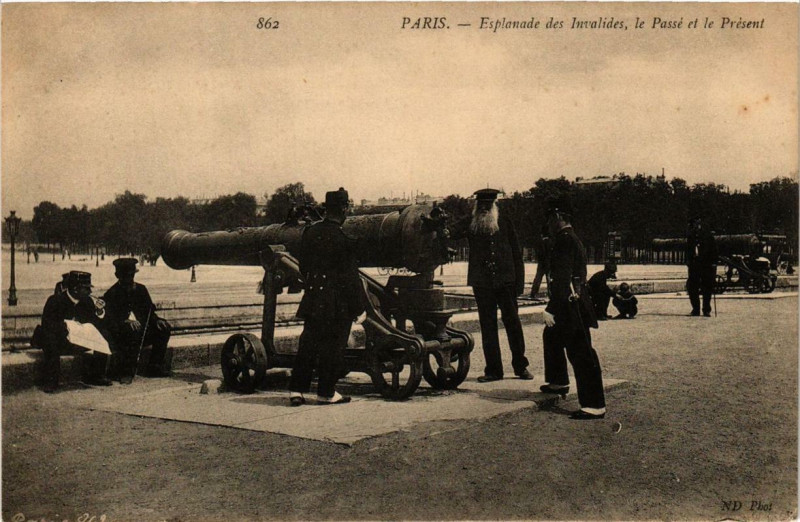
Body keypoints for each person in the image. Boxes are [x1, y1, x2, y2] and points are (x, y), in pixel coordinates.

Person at [289, 188, 366, 406]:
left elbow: (303, 266)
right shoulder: (344, 240)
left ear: (325, 209)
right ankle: (326, 392)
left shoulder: (310, 233)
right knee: (334, 347)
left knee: (308, 344)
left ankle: (296, 390)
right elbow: (352, 278)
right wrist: (359, 308)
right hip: (337, 303)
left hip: (314, 298)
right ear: (343, 209)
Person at [452, 188, 531, 382]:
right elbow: (451, 232)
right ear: (477, 206)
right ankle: (494, 371)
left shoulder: (504, 221)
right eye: (482, 205)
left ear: (494, 205)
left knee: (513, 323)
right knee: (488, 327)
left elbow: (515, 253)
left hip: (506, 281)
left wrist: (519, 283)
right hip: (483, 283)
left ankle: (521, 367)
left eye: (488, 205)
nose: (485, 209)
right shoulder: (471, 223)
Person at [539, 197, 606, 420]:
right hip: (574, 300)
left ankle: (594, 405)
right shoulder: (570, 238)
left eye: (550, 218)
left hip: (571, 304)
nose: (548, 223)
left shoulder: (564, 241)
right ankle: (558, 381)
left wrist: (551, 308)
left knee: (581, 352)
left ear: (558, 217)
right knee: (552, 335)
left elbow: (563, 279)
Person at [38, 271, 112, 393]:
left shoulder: (87, 302)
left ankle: (96, 376)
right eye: (86, 289)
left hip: (79, 341)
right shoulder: (55, 301)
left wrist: (99, 312)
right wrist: (68, 327)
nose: (90, 292)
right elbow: (48, 325)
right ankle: (51, 381)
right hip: (61, 339)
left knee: (104, 333)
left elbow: (95, 324)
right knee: (50, 340)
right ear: (76, 289)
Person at [103, 258, 172, 383]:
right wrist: (125, 321)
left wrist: (157, 320)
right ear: (118, 276)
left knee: (164, 329)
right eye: (126, 277)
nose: (130, 279)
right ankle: (125, 372)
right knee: (131, 330)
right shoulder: (111, 294)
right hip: (122, 335)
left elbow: (149, 312)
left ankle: (154, 367)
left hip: (142, 332)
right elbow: (110, 320)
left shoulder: (141, 289)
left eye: (132, 276)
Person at [686, 216, 718, 317]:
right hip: (694, 265)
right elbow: (688, 250)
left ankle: (706, 309)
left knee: (707, 287)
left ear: (699, 223)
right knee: (692, 287)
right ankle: (695, 309)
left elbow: (714, 250)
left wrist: (713, 263)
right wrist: (688, 261)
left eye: (696, 223)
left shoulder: (707, 235)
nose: (694, 226)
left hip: (706, 264)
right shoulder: (690, 236)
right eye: (693, 224)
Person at [529, 224, 551, 299]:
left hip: (542, 263)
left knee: (538, 279)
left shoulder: (540, 243)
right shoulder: (550, 242)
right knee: (549, 279)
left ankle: (533, 293)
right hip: (548, 263)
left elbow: (539, 253)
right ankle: (551, 293)